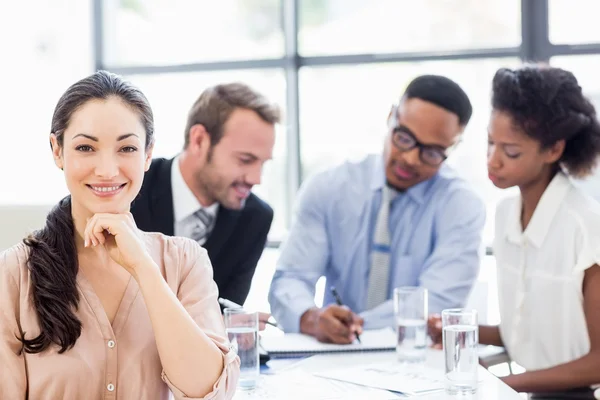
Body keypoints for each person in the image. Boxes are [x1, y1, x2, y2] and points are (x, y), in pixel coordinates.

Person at [0, 71, 239, 399]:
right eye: (86, 147)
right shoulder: (15, 273)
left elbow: (206, 390)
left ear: (148, 155)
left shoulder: (185, 262)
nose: (107, 170)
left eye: (126, 148)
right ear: (57, 150)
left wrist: (144, 268)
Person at [268, 75, 486, 344]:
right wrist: (311, 317)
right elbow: (290, 279)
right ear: (390, 116)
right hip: (329, 358)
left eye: (431, 152)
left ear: (453, 148)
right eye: (404, 138)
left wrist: (356, 326)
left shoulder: (462, 206)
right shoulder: (328, 188)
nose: (410, 159)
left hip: (413, 360)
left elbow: (438, 301)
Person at [430, 65, 600, 398]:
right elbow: (524, 334)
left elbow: (598, 362)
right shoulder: (506, 213)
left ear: (553, 150)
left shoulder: (587, 227)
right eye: (490, 143)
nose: (493, 161)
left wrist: (501, 385)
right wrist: (458, 331)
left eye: (510, 152)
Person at [131, 83, 279, 315]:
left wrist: (234, 324)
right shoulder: (132, 191)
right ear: (199, 140)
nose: (256, 179)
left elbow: (224, 312)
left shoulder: (255, 218)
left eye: (263, 163)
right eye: (245, 160)